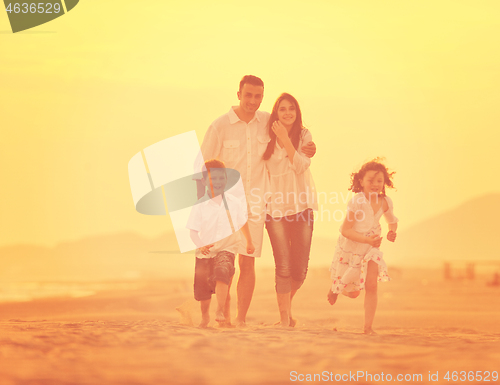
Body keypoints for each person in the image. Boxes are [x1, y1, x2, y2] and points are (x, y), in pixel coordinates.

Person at [196, 75, 316, 326]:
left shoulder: (268, 122)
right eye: (248, 95)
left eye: (258, 96)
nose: (253, 101)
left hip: (257, 203)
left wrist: (310, 146)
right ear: (238, 94)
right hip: (224, 206)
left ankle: (240, 320)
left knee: (247, 261)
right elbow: (201, 169)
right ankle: (222, 315)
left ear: (263, 97)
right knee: (223, 262)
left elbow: (293, 134)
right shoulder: (220, 126)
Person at [263, 93, 317, 327]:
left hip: (302, 207)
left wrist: (286, 139)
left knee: (300, 270)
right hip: (274, 208)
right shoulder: (265, 135)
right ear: (276, 112)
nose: (287, 113)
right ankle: (284, 318)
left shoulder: (304, 135)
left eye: (291, 109)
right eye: (282, 109)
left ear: (297, 112)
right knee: (283, 266)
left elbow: (301, 166)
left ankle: (287, 308)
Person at [327, 159, 398, 334]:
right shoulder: (357, 202)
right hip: (353, 247)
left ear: (384, 182)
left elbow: (392, 221)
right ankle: (337, 287)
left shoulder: (385, 202)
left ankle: (368, 327)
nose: (375, 185)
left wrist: (391, 232)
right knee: (353, 292)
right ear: (361, 182)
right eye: (370, 181)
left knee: (372, 285)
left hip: (372, 249)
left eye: (379, 181)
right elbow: (345, 230)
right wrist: (366, 240)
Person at [187, 159, 255, 328]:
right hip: (205, 251)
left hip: (227, 247)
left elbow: (242, 222)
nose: (217, 182)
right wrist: (200, 244)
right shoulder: (200, 205)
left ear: (226, 179)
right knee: (203, 288)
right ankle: (204, 317)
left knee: (222, 273)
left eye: (220, 178)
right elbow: (193, 231)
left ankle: (219, 310)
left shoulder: (234, 202)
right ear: (204, 181)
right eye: (212, 179)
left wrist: (249, 241)